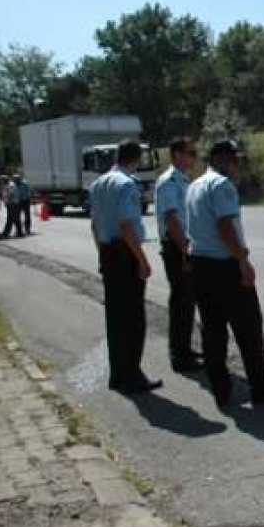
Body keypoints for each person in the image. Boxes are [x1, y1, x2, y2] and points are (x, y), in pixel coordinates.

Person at [186, 140, 264, 407]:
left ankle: (221, 390)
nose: (238, 166)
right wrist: (243, 261)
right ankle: (260, 386)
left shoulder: (194, 185)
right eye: (235, 160)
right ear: (223, 159)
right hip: (225, 266)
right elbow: (225, 226)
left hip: (201, 265)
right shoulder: (222, 186)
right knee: (248, 328)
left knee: (213, 330)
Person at [88, 139, 162, 394]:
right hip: (125, 253)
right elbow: (127, 226)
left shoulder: (98, 184)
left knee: (116, 318)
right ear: (137, 159)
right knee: (133, 319)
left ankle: (118, 374)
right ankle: (132, 375)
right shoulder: (127, 184)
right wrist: (142, 260)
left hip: (108, 253)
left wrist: (102, 255)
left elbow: (95, 226)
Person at [155, 138, 204, 373]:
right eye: (189, 153)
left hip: (186, 245)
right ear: (175, 155)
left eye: (194, 153)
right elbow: (172, 219)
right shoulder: (168, 182)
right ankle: (179, 355)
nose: (193, 157)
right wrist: (185, 249)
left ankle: (185, 348)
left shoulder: (185, 180)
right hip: (177, 247)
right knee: (181, 301)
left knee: (188, 301)